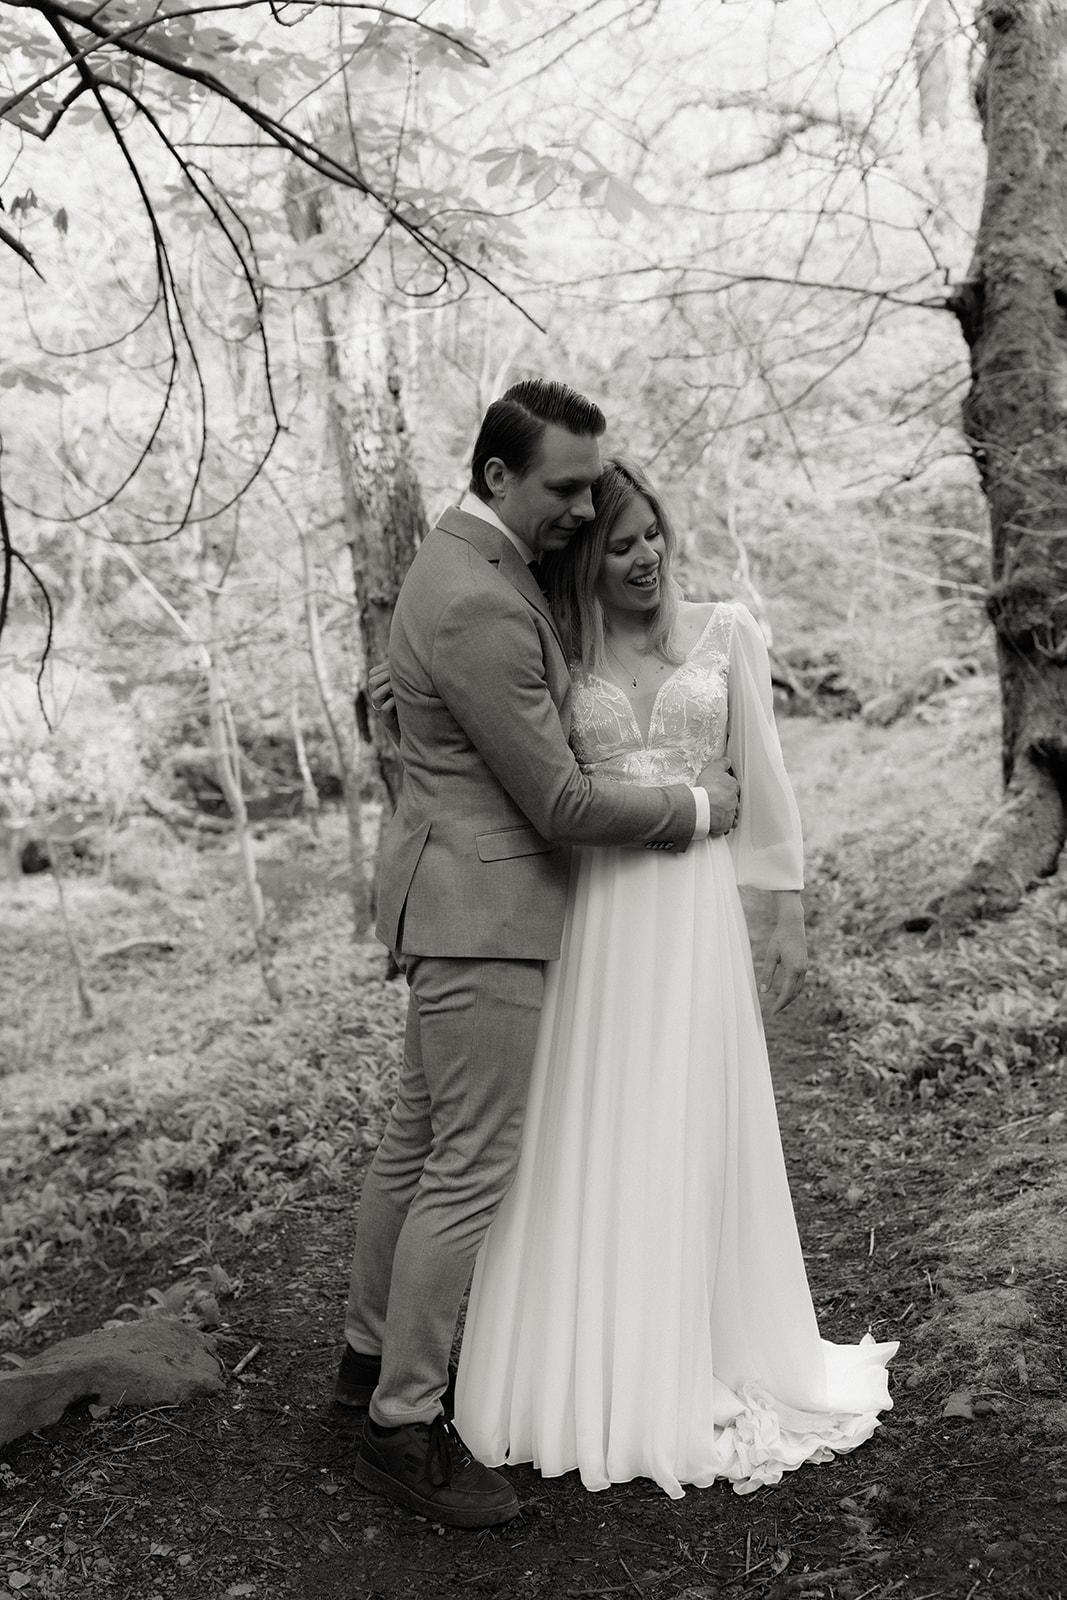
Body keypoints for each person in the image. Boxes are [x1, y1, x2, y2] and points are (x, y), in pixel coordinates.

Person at [452, 456, 898, 1499]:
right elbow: (548, 791)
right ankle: (597, 1362)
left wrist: (780, 908)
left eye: (652, 533)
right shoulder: (559, 655)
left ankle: (703, 1338)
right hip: (601, 916)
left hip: (694, 919)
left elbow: (767, 782)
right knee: (597, 1119)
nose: (644, 556)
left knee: (692, 1119)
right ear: (584, 557)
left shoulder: (725, 632)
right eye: (619, 543)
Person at [337, 383, 741, 1530]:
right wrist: (694, 811)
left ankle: (364, 1365)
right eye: (564, 486)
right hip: (487, 915)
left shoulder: (462, 560)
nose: (582, 504)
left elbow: (384, 695)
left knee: (415, 1143)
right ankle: (405, 1425)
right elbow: (560, 799)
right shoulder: (477, 595)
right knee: (465, 1167)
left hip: (450, 891)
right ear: (498, 475)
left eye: (589, 482)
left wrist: (427, 796)